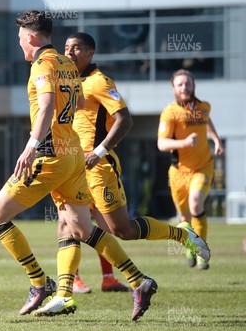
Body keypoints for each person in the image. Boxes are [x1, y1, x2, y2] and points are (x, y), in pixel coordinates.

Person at [0, 10, 158, 321]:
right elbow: (76, 105)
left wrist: (30, 146)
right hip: (75, 156)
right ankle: (139, 281)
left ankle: (39, 282)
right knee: (81, 228)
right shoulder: (68, 64)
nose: (20, 45)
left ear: (31, 38)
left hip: (49, 156)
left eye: (20, 39)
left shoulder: (42, 64)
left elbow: (49, 104)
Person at [65, 33, 211, 293]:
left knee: (123, 230)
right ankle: (66, 290)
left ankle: (182, 234)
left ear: (90, 53)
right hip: (74, 167)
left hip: (98, 167)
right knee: (70, 224)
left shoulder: (100, 82)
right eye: (66, 47)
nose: (69, 52)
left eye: (76, 48)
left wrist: (98, 151)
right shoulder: (71, 81)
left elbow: (125, 120)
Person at [157, 69, 223, 270]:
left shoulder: (204, 107)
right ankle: (190, 246)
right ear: (173, 88)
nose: (184, 87)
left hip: (203, 167)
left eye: (188, 83)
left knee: (196, 205)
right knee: (184, 220)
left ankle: (203, 254)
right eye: (180, 84)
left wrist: (216, 139)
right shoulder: (170, 113)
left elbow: (206, 120)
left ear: (194, 86)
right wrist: (185, 142)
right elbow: (161, 143)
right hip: (178, 173)